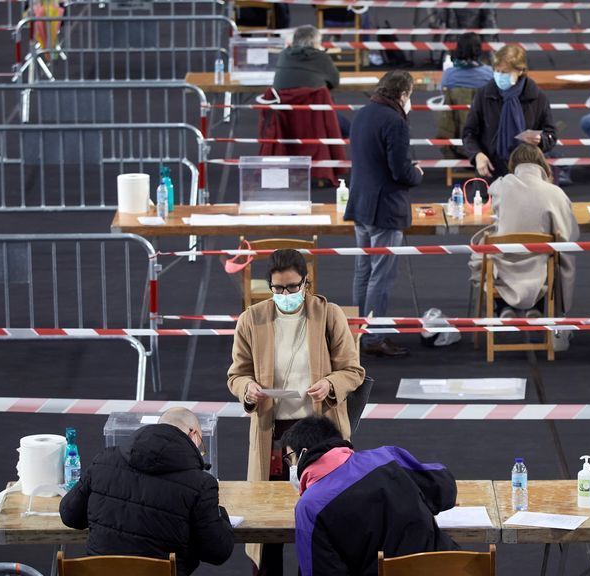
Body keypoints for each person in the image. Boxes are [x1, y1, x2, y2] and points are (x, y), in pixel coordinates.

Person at [227, 249, 366, 576]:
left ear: (306, 283)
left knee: (323, 522)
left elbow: (353, 370)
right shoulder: (252, 318)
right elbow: (236, 374)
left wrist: (330, 384)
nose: (285, 295)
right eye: (277, 289)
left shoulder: (328, 315)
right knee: (267, 521)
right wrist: (246, 388)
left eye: (292, 287)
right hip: (273, 436)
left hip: (321, 436)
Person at [59, 408, 233, 576]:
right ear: (193, 434)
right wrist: (221, 515)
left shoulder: (103, 461)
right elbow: (217, 552)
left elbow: (70, 515)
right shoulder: (200, 484)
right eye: (201, 446)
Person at [281, 416, 459, 575]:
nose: (290, 466)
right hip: (450, 567)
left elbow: (319, 570)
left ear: (303, 453)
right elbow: (444, 487)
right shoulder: (386, 457)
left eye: (290, 458)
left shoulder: (310, 506)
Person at [344, 70, 423, 358]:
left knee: (363, 272)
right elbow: (400, 170)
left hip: (360, 205)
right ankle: (374, 336)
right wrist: (417, 173)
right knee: (381, 276)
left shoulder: (364, 114)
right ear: (403, 94)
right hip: (385, 208)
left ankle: (358, 332)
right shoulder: (395, 121)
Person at [470, 144, 579, 318]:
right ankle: (537, 307)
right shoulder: (556, 193)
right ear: (542, 164)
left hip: (505, 265)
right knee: (554, 257)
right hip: (540, 267)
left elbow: (492, 194)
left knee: (485, 253)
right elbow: (569, 234)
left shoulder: (502, 185)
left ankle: (503, 307)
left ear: (514, 164)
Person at [463, 45, 557, 179]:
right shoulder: (483, 94)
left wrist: (541, 140)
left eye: (505, 72)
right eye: (496, 70)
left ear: (520, 70)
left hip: (527, 174)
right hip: (490, 172)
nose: (499, 76)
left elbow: (551, 135)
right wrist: (477, 155)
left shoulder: (538, 97)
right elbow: (468, 133)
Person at [274, 26, 340, 93]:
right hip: (312, 101)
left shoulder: (283, 55)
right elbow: (334, 82)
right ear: (315, 43)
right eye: (319, 42)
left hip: (283, 101)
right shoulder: (322, 57)